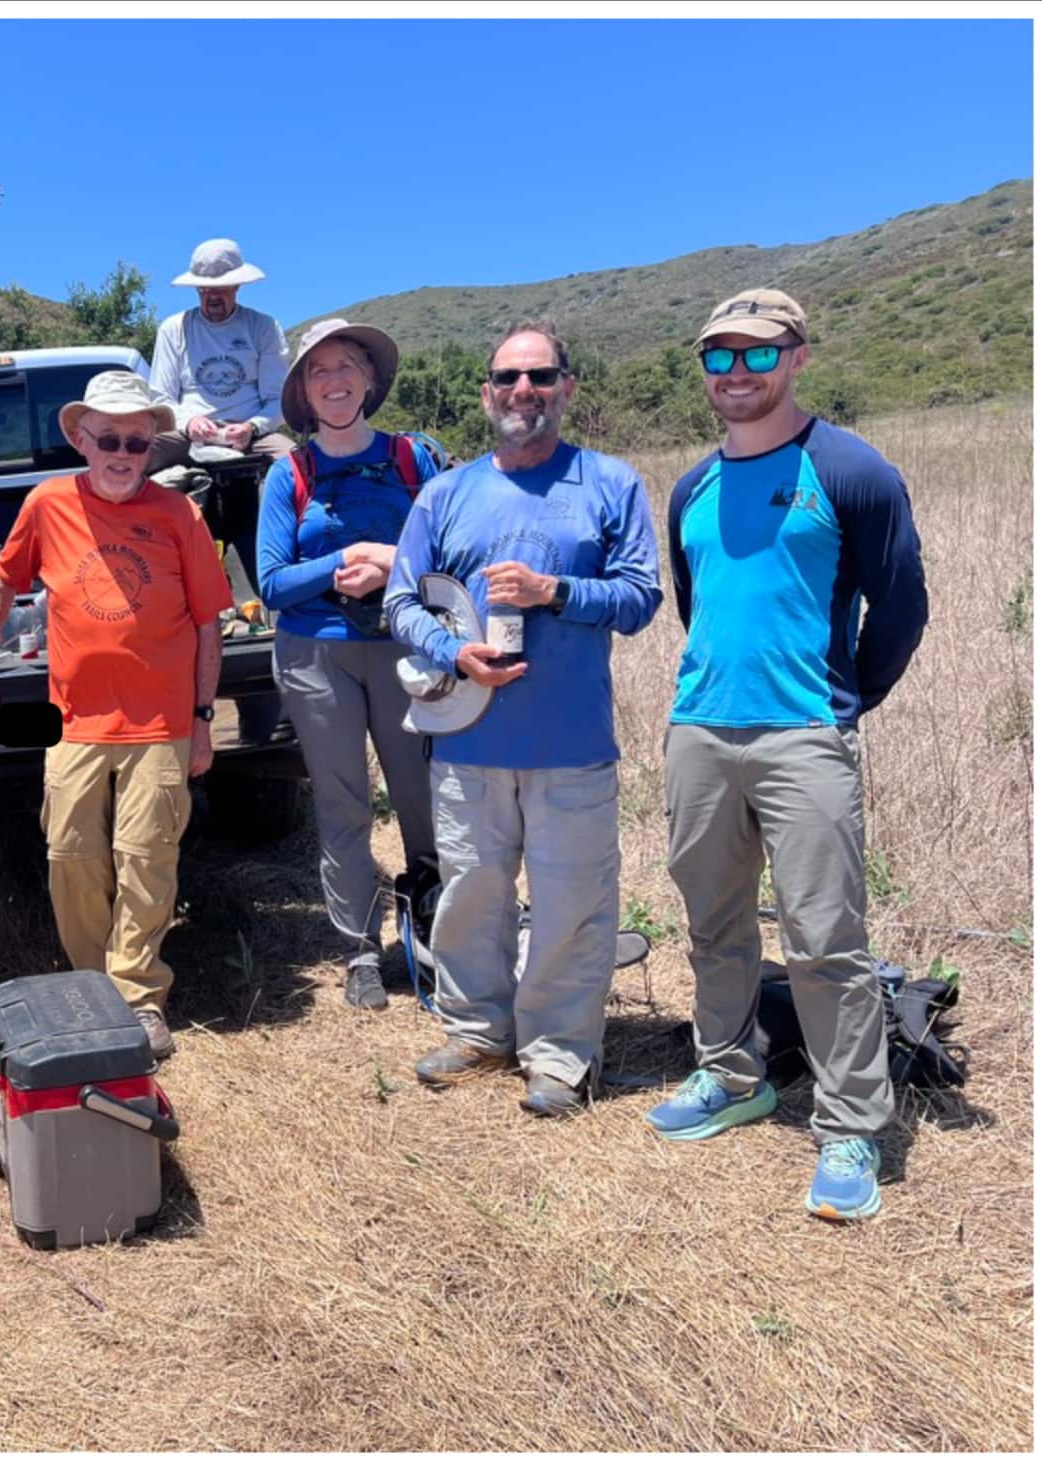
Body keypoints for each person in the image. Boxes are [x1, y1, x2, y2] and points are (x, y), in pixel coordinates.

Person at [639, 289, 928, 1221]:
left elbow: (900, 607)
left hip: (804, 734)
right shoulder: (688, 487)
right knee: (712, 921)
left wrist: (842, 704)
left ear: (797, 358)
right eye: (717, 357)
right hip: (699, 730)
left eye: (757, 356)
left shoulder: (849, 470)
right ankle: (730, 1074)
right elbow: (699, 605)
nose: (735, 374)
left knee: (824, 939)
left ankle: (850, 1123)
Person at [380, 321, 661, 1117]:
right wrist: (451, 651)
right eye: (507, 377)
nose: (523, 391)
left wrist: (556, 593)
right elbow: (400, 599)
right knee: (471, 890)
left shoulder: (608, 483)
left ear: (567, 387)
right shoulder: (445, 493)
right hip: (466, 736)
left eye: (540, 376)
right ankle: (477, 1030)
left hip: (571, 743)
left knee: (573, 901)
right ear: (485, 393)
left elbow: (641, 598)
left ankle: (559, 1053)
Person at [0, 370, 224, 1059]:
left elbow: (207, 623)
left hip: (162, 721)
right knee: (69, 855)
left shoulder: (178, 514)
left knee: (148, 860)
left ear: (151, 446)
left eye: (135, 442)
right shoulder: (47, 502)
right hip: (73, 720)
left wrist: (202, 717)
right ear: (82, 439)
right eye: (107, 438)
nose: (120, 452)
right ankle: (93, 983)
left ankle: (138, 997)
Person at [251, 319, 450, 1010]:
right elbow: (271, 582)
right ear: (303, 393)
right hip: (315, 652)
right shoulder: (289, 473)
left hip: (403, 643)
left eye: (345, 367)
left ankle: (434, 927)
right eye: (317, 371)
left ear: (369, 379)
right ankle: (359, 947)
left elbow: (450, 552)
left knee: (421, 793)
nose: (333, 381)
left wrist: (389, 563)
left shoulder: (413, 459)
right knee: (341, 805)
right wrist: (340, 563)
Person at [146, 238, 298, 545]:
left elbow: (276, 399)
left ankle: (289, 544)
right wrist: (188, 423)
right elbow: (160, 399)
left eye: (222, 288)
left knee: (292, 461)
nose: (213, 296)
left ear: (238, 287)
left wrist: (252, 427)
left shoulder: (262, 327)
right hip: (190, 430)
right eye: (205, 289)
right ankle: (140, 537)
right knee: (137, 453)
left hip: (250, 432)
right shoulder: (174, 328)